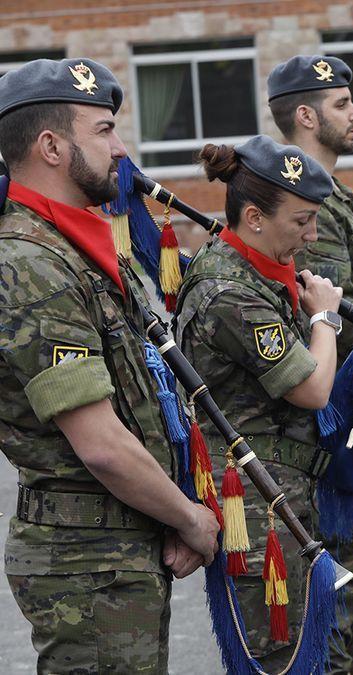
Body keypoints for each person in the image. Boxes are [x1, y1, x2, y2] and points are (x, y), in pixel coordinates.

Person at [0, 58, 220, 673]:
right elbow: (99, 444)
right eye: (103, 131)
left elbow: (147, 394)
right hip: (86, 562)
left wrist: (166, 510)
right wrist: (191, 519)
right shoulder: (29, 263)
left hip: (118, 542)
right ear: (50, 146)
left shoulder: (78, 246)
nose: (122, 149)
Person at [265, 53, 353, 675]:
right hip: (344, 400)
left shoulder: (336, 193)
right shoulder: (301, 205)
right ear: (304, 115)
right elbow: (326, 317)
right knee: (349, 542)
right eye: (342, 105)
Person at [174, 135, 340, 669]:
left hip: (281, 486)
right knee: (281, 655)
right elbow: (312, 390)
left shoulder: (257, 272)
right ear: (254, 217)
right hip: (257, 504)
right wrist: (325, 319)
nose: (311, 236)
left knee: (308, 648)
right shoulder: (231, 292)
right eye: (301, 221)